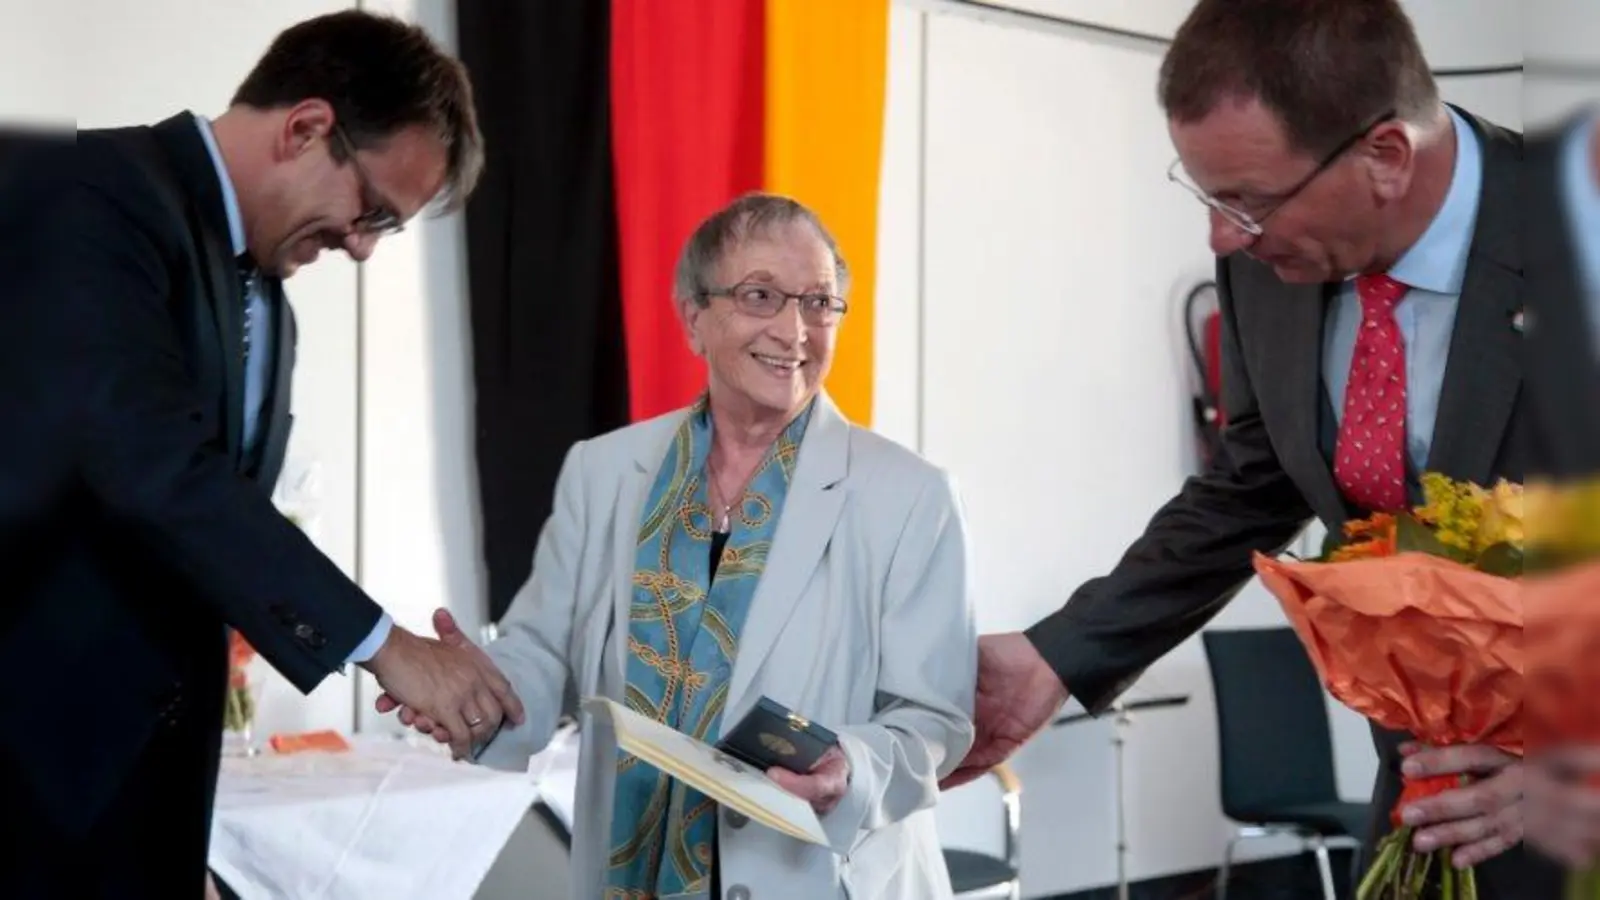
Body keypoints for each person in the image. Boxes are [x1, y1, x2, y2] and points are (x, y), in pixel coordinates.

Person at [942, 1, 1559, 896]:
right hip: (1421, 817)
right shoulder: (1271, 268)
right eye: (1205, 196)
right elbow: (1252, 486)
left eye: (1248, 202)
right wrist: (1058, 654)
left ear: (1385, 156)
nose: (1222, 238)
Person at [0, 11, 524, 897]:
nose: (360, 247)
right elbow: (151, 466)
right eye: (372, 214)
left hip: (143, 808)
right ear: (307, 126)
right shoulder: (83, 191)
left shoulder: (270, 300)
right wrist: (382, 645)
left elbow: (197, 554)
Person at [381, 193, 978, 899]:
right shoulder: (602, 472)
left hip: (824, 876)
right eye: (761, 296)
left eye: (819, 303)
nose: (795, 329)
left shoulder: (909, 496)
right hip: (632, 872)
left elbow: (934, 721)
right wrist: (473, 693)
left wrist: (851, 765)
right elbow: (542, 653)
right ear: (694, 318)